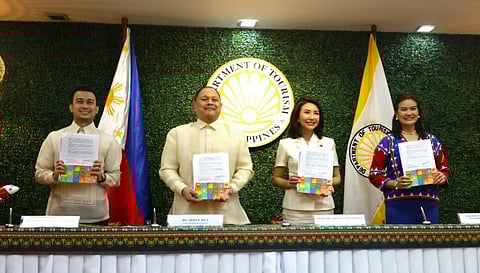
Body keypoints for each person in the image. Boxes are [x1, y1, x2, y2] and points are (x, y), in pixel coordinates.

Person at [159, 86, 254, 225]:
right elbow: (167, 169)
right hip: (187, 215)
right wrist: (182, 189)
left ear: (220, 106)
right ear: (194, 106)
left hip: (228, 216)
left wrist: (231, 188)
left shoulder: (236, 134)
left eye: (214, 99)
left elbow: (245, 168)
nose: (210, 102)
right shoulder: (177, 134)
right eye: (204, 99)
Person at [35, 87, 121, 224]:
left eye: (90, 102)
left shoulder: (109, 141)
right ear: (71, 107)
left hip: (96, 217)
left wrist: (102, 177)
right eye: (80, 101)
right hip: (59, 216)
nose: (85, 106)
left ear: (97, 108)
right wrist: (54, 175)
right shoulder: (54, 137)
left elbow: (116, 178)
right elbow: (39, 173)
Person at [369, 95, 448, 224]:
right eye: (404, 109)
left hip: (429, 203)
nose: (409, 113)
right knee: (400, 243)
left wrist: (442, 177)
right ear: (396, 114)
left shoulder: (432, 141)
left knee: (428, 243)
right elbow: (374, 174)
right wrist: (395, 183)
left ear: (418, 113)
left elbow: (444, 170)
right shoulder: (387, 142)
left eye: (413, 109)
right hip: (398, 204)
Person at [272, 96, 341, 224]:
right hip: (295, 209)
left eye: (316, 113)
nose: (312, 117)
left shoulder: (328, 143)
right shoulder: (286, 144)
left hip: (323, 207)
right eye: (307, 112)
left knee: (324, 243)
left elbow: (337, 177)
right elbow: (276, 178)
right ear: (297, 117)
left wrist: (327, 182)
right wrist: (289, 183)